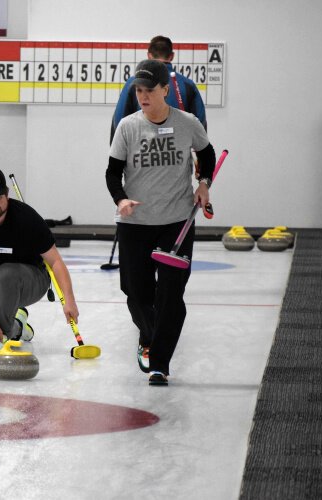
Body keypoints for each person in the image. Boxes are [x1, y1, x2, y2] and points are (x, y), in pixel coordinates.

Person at [106, 59, 216, 386]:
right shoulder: (128, 126)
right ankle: (151, 334)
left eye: (149, 90)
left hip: (177, 222)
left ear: (165, 90)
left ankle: (160, 362)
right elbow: (113, 172)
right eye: (139, 90)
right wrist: (121, 199)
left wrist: (204, 183)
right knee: (135, 292)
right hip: (135, 223)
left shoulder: (188, 123)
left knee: (170, 294)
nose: (143, 96)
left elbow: (206, 154)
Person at [0, 167, 79, 353]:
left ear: (7, 194)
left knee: (7, 273)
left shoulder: (27, 218)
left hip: (32, 281)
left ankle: (2, 337)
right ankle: (17, 326)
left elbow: (55, 262)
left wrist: (69, 300)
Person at [111, 35, 207, 142]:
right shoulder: (187, 85)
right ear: (171, 56)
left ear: (149, 56)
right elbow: (200, 125)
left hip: (142, 151)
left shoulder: (133, 83)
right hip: (178, 153)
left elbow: (119, 122)